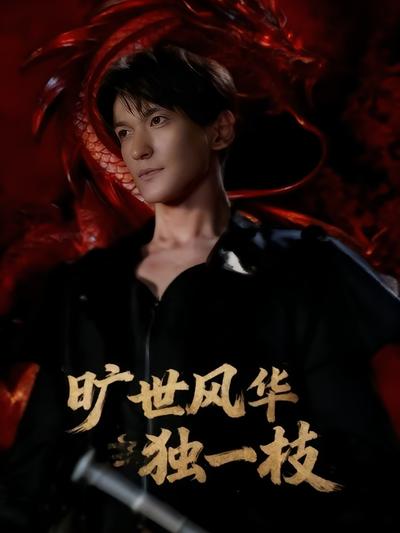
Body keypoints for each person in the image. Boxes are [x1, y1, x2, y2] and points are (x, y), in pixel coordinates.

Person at [1, 43, 400, 533]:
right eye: (124, 132)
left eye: (158, 120)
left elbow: (362, 468)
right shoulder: (85, 288)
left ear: (220, 129)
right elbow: (29, 478)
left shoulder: (303, 271)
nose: (137, 149)